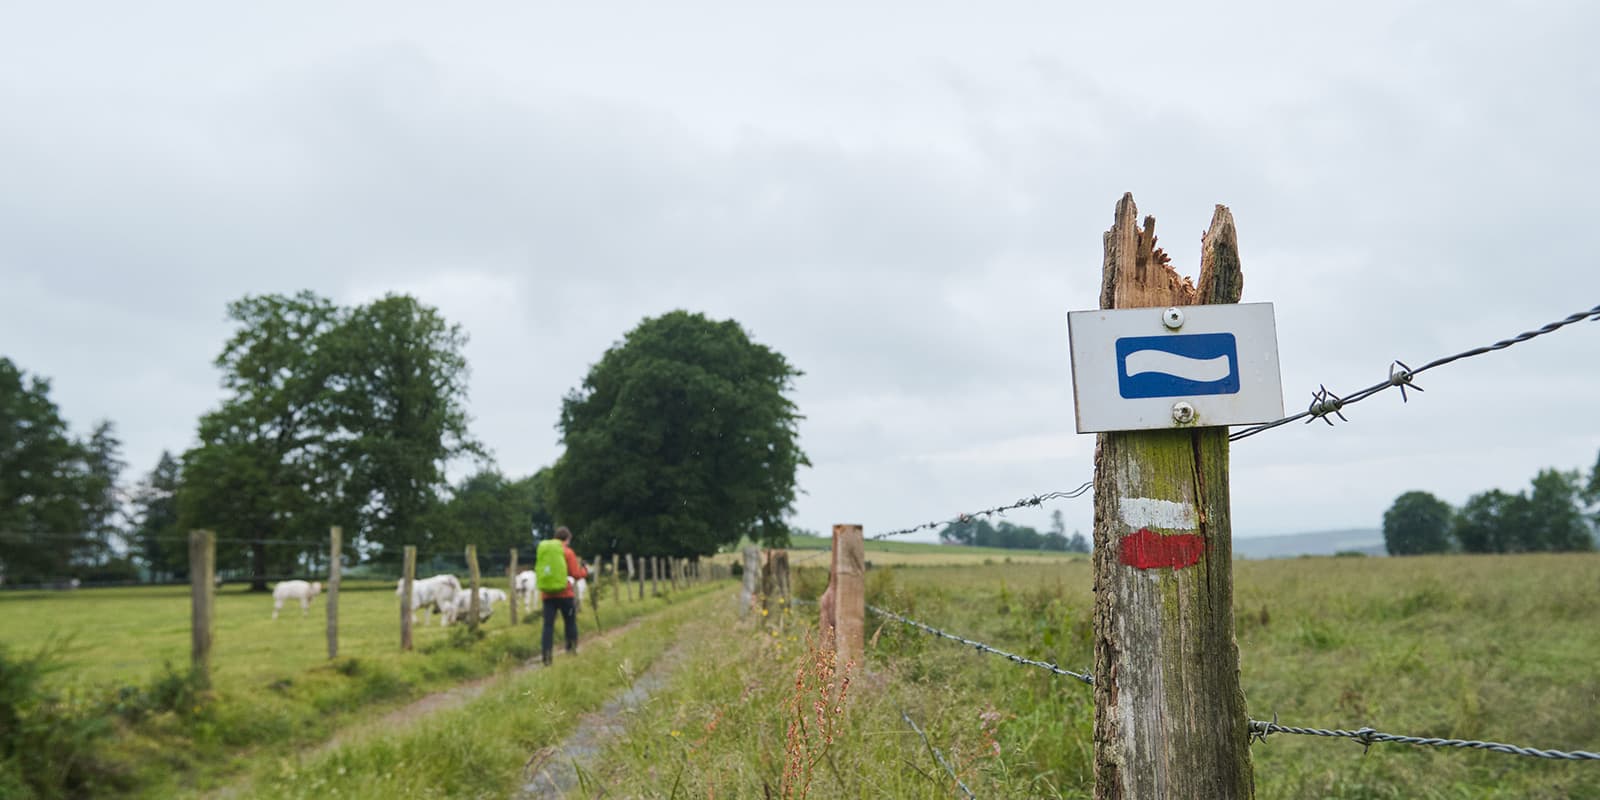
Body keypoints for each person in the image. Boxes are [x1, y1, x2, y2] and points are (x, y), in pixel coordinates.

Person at [540, 526, 589, 666]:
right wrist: (585, 570)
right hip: (565, 594)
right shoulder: (568, 552)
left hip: (547, 594)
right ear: (567, 539)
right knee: (570, 622)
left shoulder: (545, 551)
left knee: (548, 626)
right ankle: (571, 651)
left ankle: (546, 657)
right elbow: (575, 574)